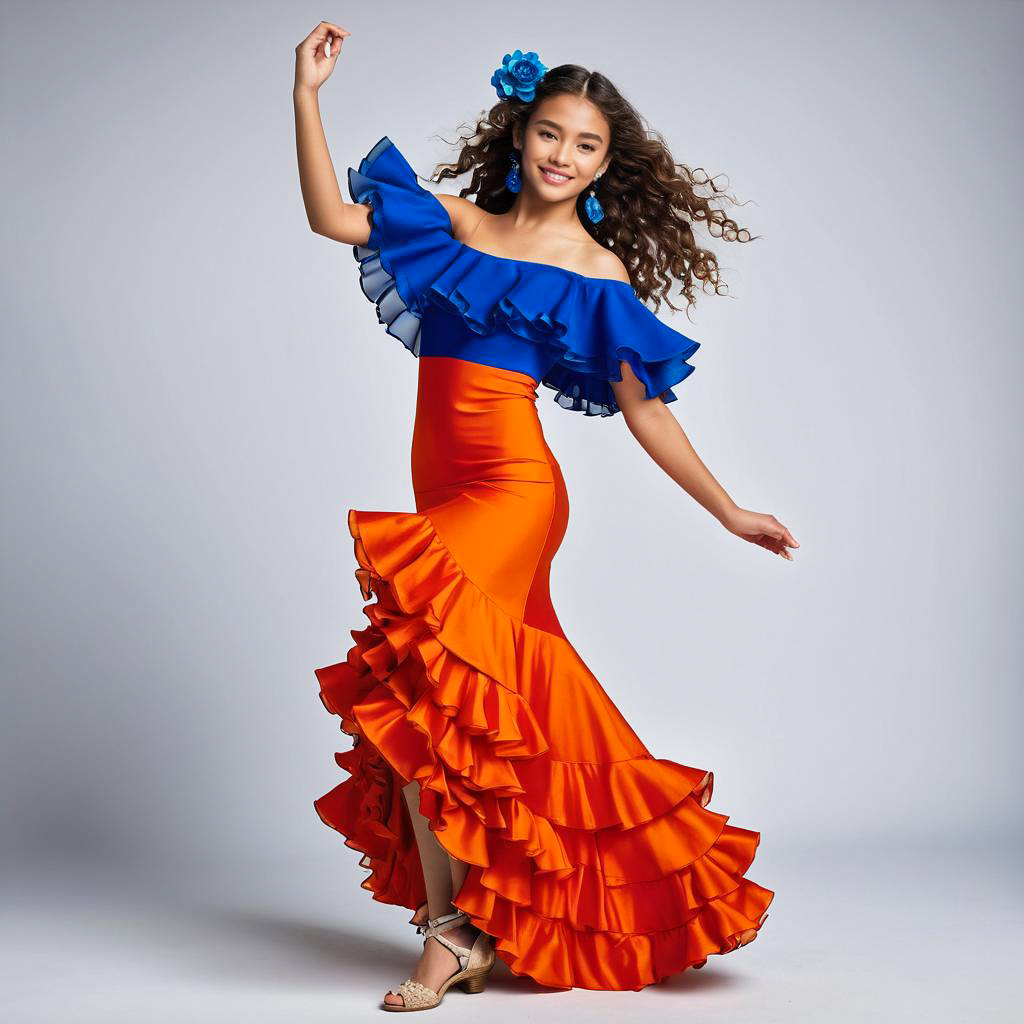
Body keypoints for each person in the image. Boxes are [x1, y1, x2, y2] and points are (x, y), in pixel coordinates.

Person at [294, 22, 797, 1012]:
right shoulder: (454, 226)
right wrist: (306, 96)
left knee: (423, 690)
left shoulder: (595, 269)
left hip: (516, 491)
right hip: (443, 482)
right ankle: (483, 914)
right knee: (460, 713)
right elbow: (328, 220)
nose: (563, 157)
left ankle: (445, 941)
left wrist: (728, 507)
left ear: (607, 165)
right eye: (551, 135)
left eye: (586, 146)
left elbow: (645, 409)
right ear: (519, 134)